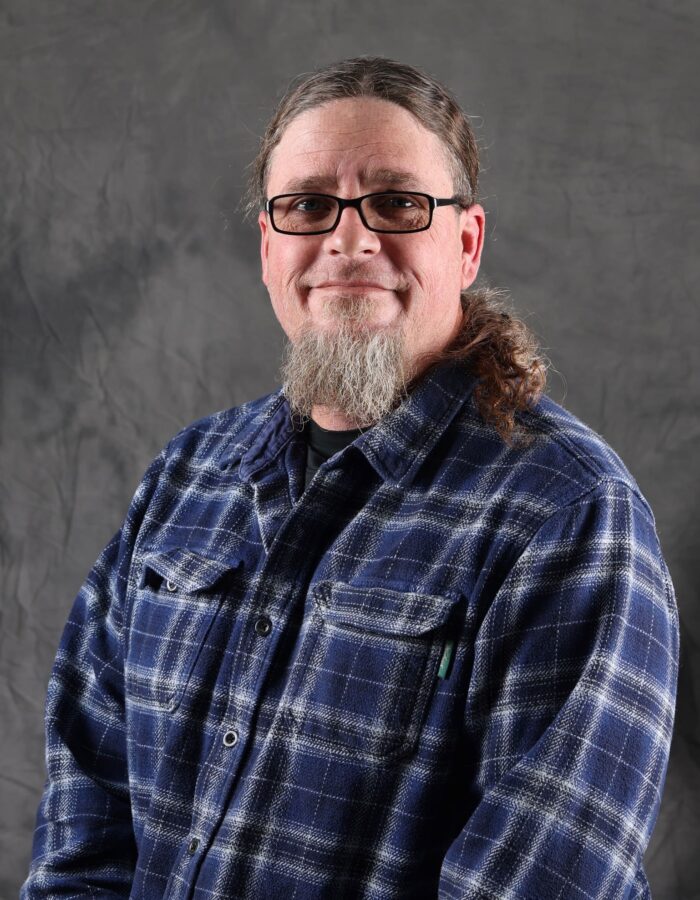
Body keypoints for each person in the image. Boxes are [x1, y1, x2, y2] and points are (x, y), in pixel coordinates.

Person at [23, 57, 678, 899]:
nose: (350, 240)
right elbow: (87, 824)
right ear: (269, 245)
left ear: (467, 242)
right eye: (307, 205)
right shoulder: (187, 478)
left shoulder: (569, 515)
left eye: (398, 203)